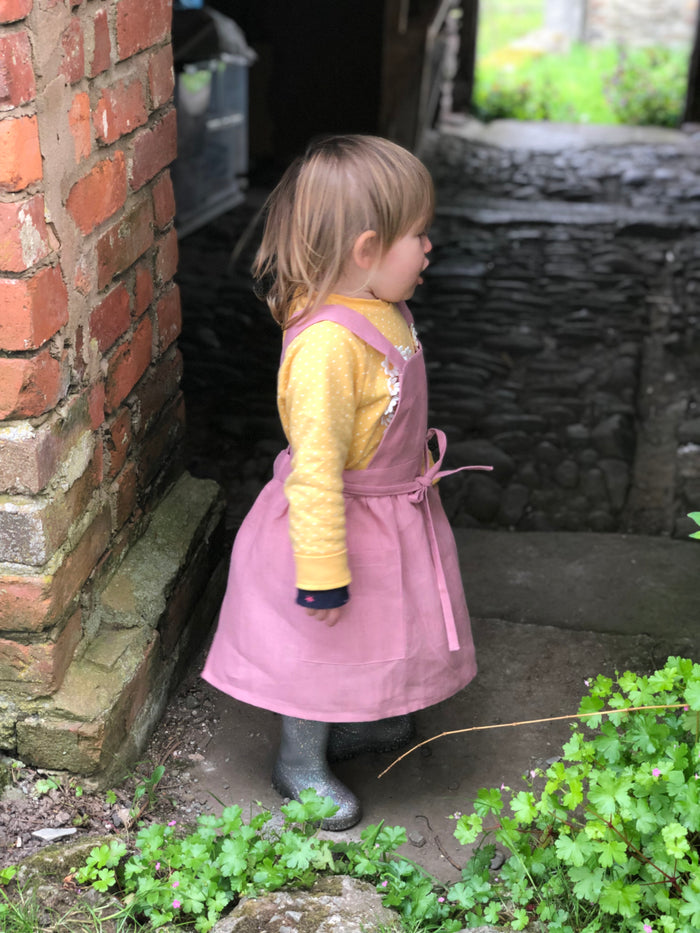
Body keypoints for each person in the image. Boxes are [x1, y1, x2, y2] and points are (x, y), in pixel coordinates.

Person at [202, 134, 489, 831]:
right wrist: (322, 569)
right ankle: (299, 759)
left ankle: (353, 722)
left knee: (381, 627)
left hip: (386, 512)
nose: (428, 249)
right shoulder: (328, 348)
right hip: (335, 520)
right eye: (417, 237)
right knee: (322, 644)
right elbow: (317, 469)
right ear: (365, 251)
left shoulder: (380, 306)